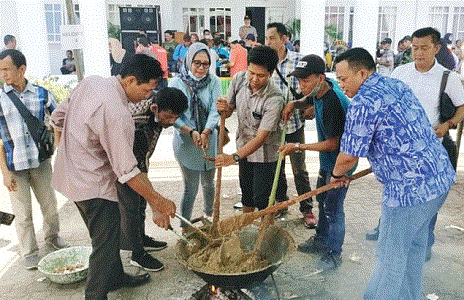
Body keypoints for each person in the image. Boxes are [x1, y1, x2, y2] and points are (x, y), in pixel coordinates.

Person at [332, 47, 455, 300]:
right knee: (414, 248)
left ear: (362, 73)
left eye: (343, 79)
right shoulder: (395, 85)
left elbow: (347, 157)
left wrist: (335, 177)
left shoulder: (363, 102)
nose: (340, 84)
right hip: (439, 179)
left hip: (409, 194)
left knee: (390, 259)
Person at [50, 54, 176, 300]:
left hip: (71, 174)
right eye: (147, 89)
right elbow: (127, 172)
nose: (149, 95)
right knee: (105, 246)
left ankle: (116, 277)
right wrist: (158, 202)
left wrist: (78, 145)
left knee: (108, 235)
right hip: (92, 186)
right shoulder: (117, 114)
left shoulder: (92, 82)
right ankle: (96, 295)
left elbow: (58, 117)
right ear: (130, 80)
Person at [365, 28, 464, 260]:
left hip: (430, 150)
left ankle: (424, 243)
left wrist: (448, 124)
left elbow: (462, 108)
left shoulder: (448, 77)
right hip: (399, 151)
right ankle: (386, 230)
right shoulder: (401, 72)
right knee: (394, 193)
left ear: (437, 48)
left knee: (427, 201)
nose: (418, 53)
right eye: (415, 48)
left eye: (424, 48)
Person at [279, 54, 355, 270]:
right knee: (322, 202)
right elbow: (309, 99)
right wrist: (294, 104)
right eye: (299, 81)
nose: (301, 85)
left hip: (340, 163)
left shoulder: (332, 101)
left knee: (333, 209)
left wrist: (298, 146)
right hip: (328, 160)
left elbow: (332, 143)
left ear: (320, 78)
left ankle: (333, 253)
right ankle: (321, 241)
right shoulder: (320, 90)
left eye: (306, 81)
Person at [0, 49, 68, 270]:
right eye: (0, 70)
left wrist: (57, 146)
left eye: (7, 69)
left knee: (49, 205)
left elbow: (60, 119)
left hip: (41, 162)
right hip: (14, 166)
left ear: (22, 69)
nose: (3, 74)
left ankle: (52, 237)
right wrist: (4, 172)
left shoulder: (42, 94)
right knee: (23, 214)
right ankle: (29, 251)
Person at [117, 87, 188, 272]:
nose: (173, 122)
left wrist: (152, 199)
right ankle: (137, 255)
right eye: (170, 117)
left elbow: (142, 161)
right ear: (156, 109)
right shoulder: (139, 124)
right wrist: (157, 206)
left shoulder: (157, 109)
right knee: (131, 206)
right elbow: (134, 168)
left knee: (140, 202)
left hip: (138, 161)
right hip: (122, 167)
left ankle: (141, 239)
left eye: (176, 117)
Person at [215, 46, 284, 212]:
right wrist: (222, 108)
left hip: (265, 154)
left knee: (263, 199)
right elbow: (229, 109)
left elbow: (261, 138)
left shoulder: (275, 97)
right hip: (243, 145)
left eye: (260, 75)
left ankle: (265, 232)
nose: (254, 79)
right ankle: (246, 230)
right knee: (246, 194)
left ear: (271, 73)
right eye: (251, 72)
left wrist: (234, 157)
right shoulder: (239, 79)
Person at [265, 22, 315, 227]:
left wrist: (305, 106)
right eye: (266, 38)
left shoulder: (298, 61)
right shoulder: (265, 62)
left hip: (294, 125)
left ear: (284, 39)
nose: (268, 42)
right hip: (272, 128)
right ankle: (281, 203)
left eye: (272, 38)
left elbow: (309, 90)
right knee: (277, 166)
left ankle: (307, 209)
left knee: (299, 169)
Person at [168, 43, 221, 232]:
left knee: (208, 184)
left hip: (209, 140)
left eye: (206, 64)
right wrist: (191, 131)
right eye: (197, 63)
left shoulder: (213, 81)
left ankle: (208, 216)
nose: (201, 68)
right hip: (186, 142)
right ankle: (185, 226)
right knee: (190, 187)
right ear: (188, 60)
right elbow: (171, 115)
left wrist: (206, 131)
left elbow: (216, 109)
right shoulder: (176, 83)